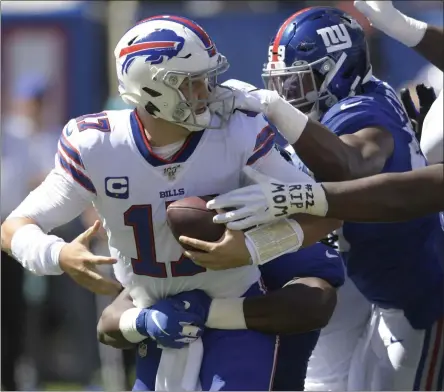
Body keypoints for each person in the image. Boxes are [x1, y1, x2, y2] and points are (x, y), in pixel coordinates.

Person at [0, 15, 342, 391]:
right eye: (193, 83)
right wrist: (59, 256)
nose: (209, 92)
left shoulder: (237, 130)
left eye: (208, 79)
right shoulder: (96, 144)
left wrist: (251, 247)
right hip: (155, 319)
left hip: (236, 311)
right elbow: (14, 227)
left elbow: (324, 210)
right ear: (152, 90)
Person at [208, 6, 444, 391]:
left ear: (340, 72)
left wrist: (275, 110)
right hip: (384, 289)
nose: (288, 95)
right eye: (282, 85)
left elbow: (351, 165)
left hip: (420, 297)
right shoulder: (357, 98)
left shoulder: (360, 111)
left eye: (297, 84)